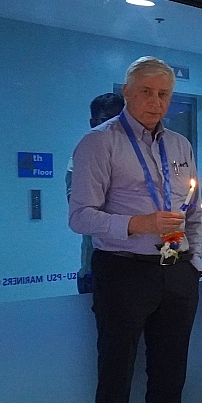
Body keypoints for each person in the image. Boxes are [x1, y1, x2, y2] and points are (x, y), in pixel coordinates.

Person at [68, 57, 202, 403]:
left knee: (170, 377)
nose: (156, 102)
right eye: (147, 92)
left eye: (164, 94)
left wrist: (195, 260)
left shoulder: (179, 144)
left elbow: (193, 210)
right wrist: (138, 223)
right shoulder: (99, 142)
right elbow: (80, 217)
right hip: (123, 271)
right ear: (128, 93)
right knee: (115, 382)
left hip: (175, 271)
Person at [69, 92, 125, 294]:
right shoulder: (83, 158)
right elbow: (83, 215)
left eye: (120, 119)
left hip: (135, 264)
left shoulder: (134, 155)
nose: (114, 126)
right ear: (93, 123)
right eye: (106, 119)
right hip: (98, 265)